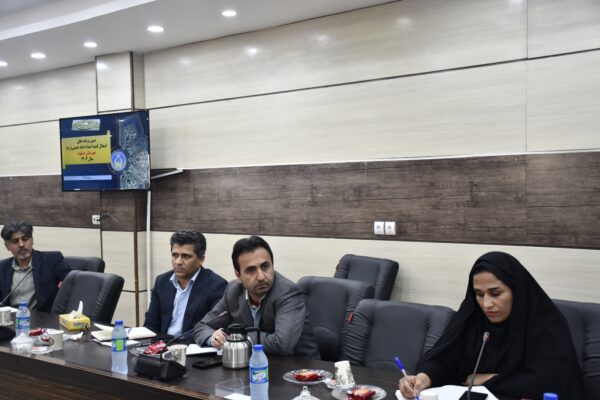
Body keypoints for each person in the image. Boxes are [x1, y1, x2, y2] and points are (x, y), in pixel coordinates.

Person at [398, 251, 583, 399]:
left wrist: (489, 379)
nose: (486, 304)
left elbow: (554, 382)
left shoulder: (546, 322)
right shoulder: (472, 318)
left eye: (495, 293)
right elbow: (445, 360)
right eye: (479, 294)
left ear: (516, 291)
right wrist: (423, 378)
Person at [193, 235, 319, 359]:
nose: (261, 277)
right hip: (253, 363)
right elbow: (201, 326)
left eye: (265, 266)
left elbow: (282, 344)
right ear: (238, 275)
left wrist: (237, 337)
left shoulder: (288, 293)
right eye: (251, 270)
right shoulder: (233, 291)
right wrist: (213, 337)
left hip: (298, 367)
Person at [144, 230, 227, 339]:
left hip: (192, 346)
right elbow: (150, 325)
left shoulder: (217, 286)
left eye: (186, 256)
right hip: (161, 344)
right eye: (175, 255)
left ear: (201, 259)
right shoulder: (162, 282)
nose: (178, 262)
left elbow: (211, 329)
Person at [0, 221, 72, 312]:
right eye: (15, 241)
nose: (21, 245)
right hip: (10, 319)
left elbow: (75, 284)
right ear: (7, 246)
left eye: (25, 239)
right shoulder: (2, 267)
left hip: (43, 319)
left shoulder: (52, 260)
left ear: (32, 240)